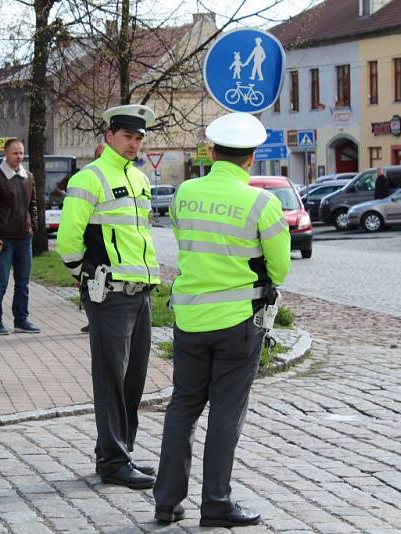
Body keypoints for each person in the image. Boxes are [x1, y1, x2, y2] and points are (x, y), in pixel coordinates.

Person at [153, 112, 291, 527]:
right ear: (250, 159)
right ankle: (215, 503)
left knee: (183, 406)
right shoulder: (262, 203)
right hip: (237, 322)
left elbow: (183, 240)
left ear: (212, 153)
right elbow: (280, 267)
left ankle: (166, 501)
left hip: (189, 319)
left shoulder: (184, 193)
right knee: (226, 413)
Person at [56, 104, 160, 490]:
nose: (134, 144)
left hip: (141, 291)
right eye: (128, 137)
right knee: (111, 380)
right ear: (110, 136)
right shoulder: (90, 178)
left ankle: (121, 453)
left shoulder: (140, 179)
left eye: (139, 138)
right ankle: (114, 461)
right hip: (110, 293)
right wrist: (85, 276)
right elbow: (68, 240)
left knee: (133, 380)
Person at [0, 138, 41, 335]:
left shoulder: (29, 177)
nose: (19, 157)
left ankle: (21, 319)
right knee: (1, 281)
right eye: (15, 153)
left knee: (23, 282)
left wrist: (33, 224)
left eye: (21, 153)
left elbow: (33, 204)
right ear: (6, 154)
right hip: (4, 239)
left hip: (25, 238)